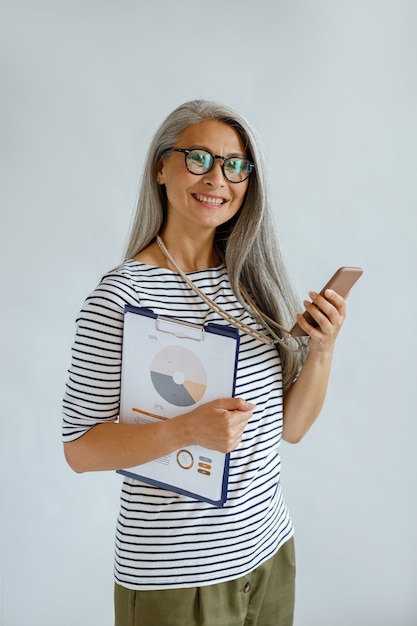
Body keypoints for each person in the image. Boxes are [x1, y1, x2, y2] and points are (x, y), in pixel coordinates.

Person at [62, 99, 347, 626]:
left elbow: (291, 428)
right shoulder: (121, 297)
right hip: (176, 577)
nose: (218, 178)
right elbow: (79, 451)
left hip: (269, 554)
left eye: (235, 164)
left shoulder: (251, 284)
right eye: (199, 158)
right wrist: (184, 430)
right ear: (161, 167)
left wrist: (322, 350)